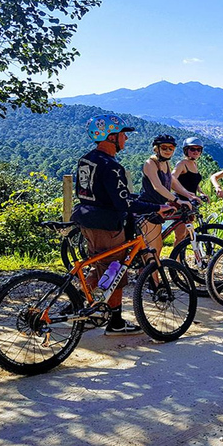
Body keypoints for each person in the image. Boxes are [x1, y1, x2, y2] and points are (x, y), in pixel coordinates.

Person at [70, 115, 173, 335]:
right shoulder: (111, 165)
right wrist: (155, 208)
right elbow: (123, 202)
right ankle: (115, 323)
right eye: (123, 134)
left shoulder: (87, 159)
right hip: (107, 224)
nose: (126, 138)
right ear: (111, 137)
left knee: (100, 267)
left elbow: (92, 192)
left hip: (87, 219)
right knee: (116, 273)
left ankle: (82, 307)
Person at [139, 134, 198, 258]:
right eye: (164, 147)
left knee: (156, 247)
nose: (168, 151)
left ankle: (147, 275)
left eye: (171, 148)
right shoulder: (151, 163)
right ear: (157, 148)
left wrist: (188, 195)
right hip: (149, 208)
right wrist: (177, 200)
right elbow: (158, 186)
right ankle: (149, 277)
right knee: (154, 248)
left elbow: (172, 181)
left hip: (159, 207)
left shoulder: (166, 163)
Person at [172, 137, 207, 245]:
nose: (196, 152)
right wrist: (187, 194)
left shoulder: (194, 164)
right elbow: (172, 179)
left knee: (187, 234)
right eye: (192, 149)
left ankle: (181, 258)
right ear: (186, 150)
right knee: (180, 235)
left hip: (191, 203)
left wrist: (200, 192)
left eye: (198, 149)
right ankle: (174, 259)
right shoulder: (182, 164)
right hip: (180, 202)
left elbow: (194, 182)